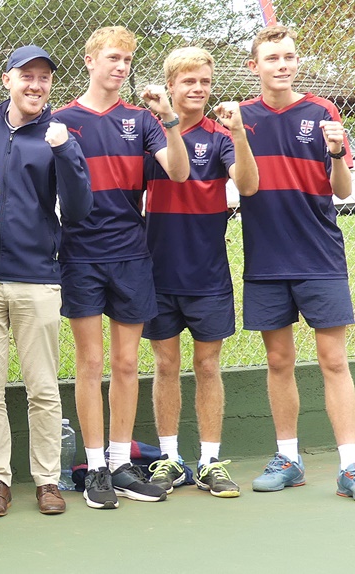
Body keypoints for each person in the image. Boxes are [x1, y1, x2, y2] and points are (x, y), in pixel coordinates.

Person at [52, 25, 189, 509]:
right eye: (112, 57)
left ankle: (120, 464)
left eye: (127, 61)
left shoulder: (143, 120)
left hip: (132, 254)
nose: (120, 67)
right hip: (81, 255)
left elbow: (178, 171)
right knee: (90, 363)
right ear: (89, 60)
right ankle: (94, 470)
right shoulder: (61, 118)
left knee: (127, 363)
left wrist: (169, 118)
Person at [0, 45, 92, 518]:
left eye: (44, 78)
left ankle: (46, 481)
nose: (36, 85)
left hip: (37, 279)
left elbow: (78, 210)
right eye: (27, 76)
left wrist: (67, 150)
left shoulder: (58, 135)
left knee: (42, 387)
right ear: (7, 80)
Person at [236, 25, 355, 494]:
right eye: (271, 59)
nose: (282, 65)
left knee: (333, 360)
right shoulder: (240, 117)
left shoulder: (323, 111)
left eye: (288, 57)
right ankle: (289, 458)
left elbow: (343, 190)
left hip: (319, 257)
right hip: (265, 261)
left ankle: (350, 465)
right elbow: (242, 184)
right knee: (279, 359)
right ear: (254, 67)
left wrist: (338, 151)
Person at [143, 47, 258, 499]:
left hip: (208, 275)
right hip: (155, 271)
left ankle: (210, 461)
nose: (197, 90)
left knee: (208, 365)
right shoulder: (150, 134)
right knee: (166, 364)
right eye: (188, 81)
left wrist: (240, 133)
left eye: (205, 83)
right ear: (170, 85)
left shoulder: (222, 135)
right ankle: (169, 457)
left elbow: (247, 186)